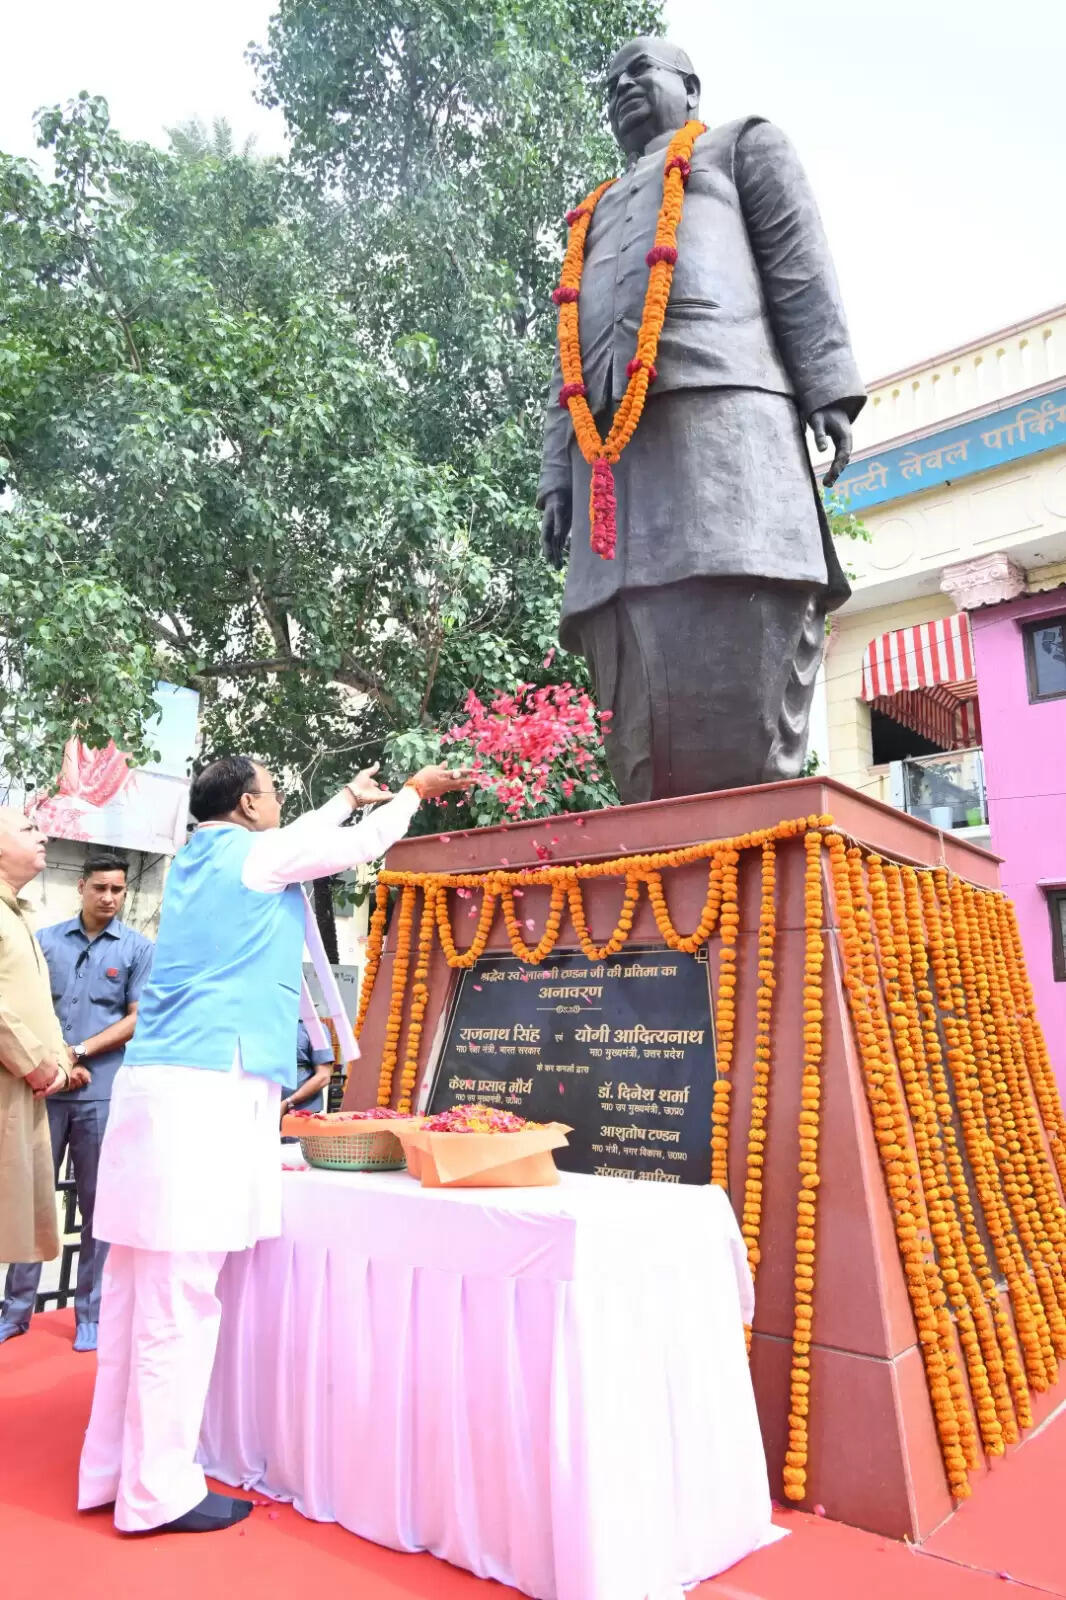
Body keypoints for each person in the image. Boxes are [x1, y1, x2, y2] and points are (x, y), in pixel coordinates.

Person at [78, 756, 471, 1536]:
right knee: (179, 1297)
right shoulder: (256, 855)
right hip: (202, 1093)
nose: (281, 802)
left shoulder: (206, 856)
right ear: (251, 803)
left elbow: (303, 838)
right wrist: (410, 797)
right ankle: (157, 1492)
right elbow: (347, 848)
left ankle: (115, 1470)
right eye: (274, 791)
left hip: (161, 1090)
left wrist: (339, 801)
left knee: (136, 1291)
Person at [538, 37, 866, 802]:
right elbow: (564, 363)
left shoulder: (738, 145)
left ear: (689, 85)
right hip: (608, 458)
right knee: (621, 631)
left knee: (736, 597)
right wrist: (557, 476)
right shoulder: (588, 215)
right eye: (609, 83)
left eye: (638, 73)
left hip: (726, 414)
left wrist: (827, 389)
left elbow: (798, 263)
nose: (621, 88)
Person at [0, 851, 153, 1352]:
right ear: (81, 888)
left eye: (118, 889)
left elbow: (138, 1018)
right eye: (100, 888)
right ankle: (16, 1310)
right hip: (43, 1089)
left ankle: (91, 1311)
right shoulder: (44, 941)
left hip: (100, 1092)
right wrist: (53, 1062)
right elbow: (27, 1008)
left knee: (97, 1204)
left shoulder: (136, 949)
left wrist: (81, 1050)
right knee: (35, 1198)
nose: (109, 898)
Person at [0, 808, 72, 1279]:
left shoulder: (16, 914)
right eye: (27, 829)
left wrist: (58, 1058)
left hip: (21, 1089)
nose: (42, 835)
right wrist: (36, 1064)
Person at [280, 1019, 334, 1138]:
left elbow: (323, 1076)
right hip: (263, 1113)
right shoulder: (267, 1025)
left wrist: (287, 1103)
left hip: (300, 1115)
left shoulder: (315, 1029)